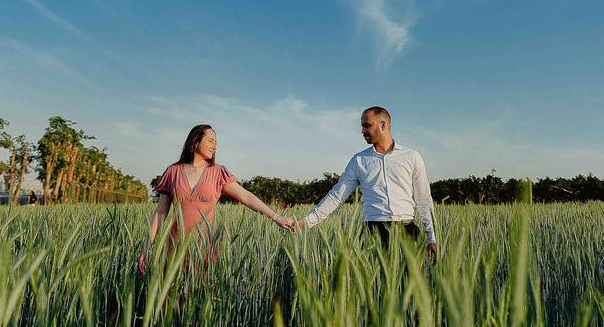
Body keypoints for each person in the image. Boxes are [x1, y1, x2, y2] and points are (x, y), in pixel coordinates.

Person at [138, 124, 294, 273]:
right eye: (211, 141)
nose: (215, 146)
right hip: (174, 247)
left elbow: (246, 196)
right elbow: (160, 213)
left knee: (201, 294)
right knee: (172, 298)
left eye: (216, 142)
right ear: (195, 141)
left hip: (205, 247)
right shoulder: (173, 171)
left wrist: (276, 217)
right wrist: (147, 245)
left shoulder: (218, 172)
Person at [293, 106, 438, 257]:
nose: (362, 131)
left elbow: (423, 200)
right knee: (373, 281)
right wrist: (305, 223)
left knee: (412, 280)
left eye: (367, 125)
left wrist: (431, 237)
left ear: (383, 125)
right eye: (362, 126)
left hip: (407, 231)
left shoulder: (412, 157)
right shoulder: (359, 160)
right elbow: (336, 196)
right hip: (372, 234)